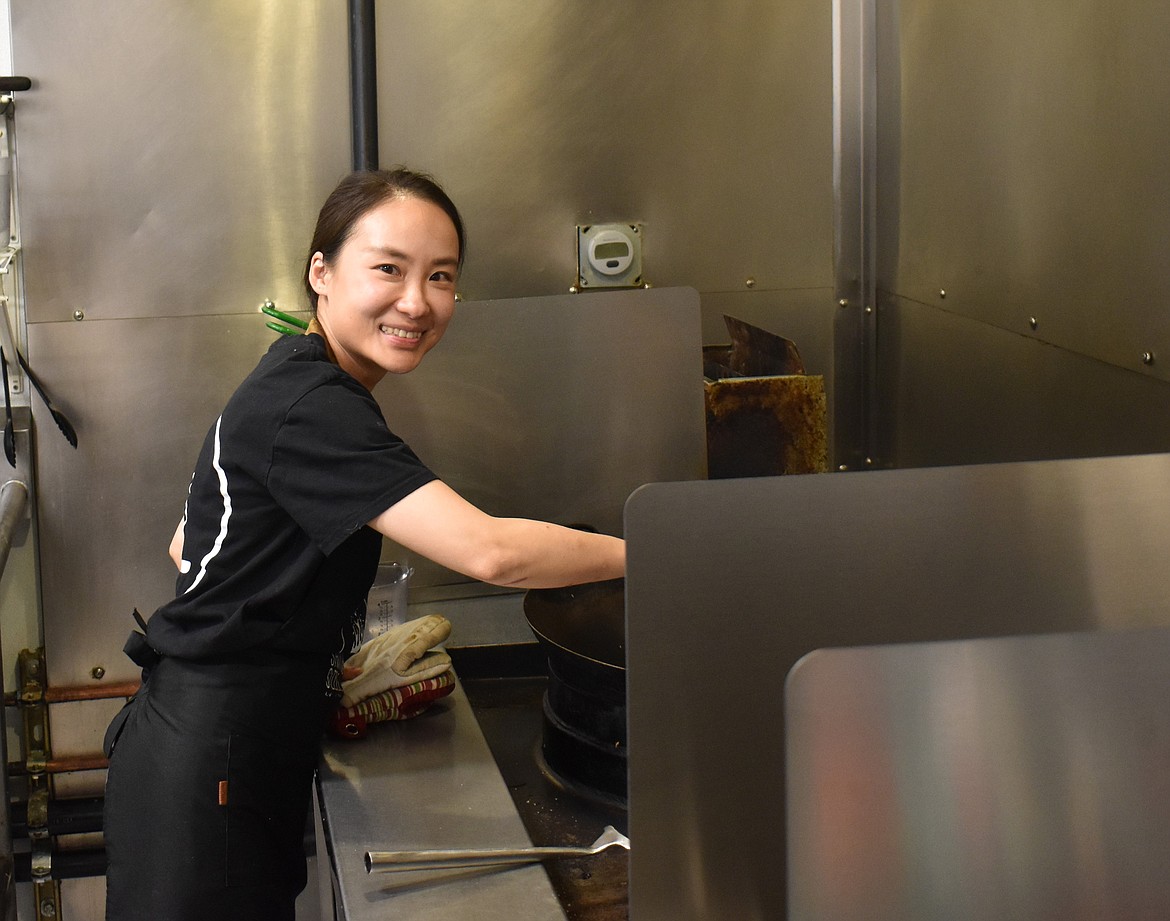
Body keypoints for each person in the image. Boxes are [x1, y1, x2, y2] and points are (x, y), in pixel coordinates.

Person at [102, 168, 626, 920]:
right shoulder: (314, 406)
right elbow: (490, 553)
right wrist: (645, 553)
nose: (416, 301)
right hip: (212, 761)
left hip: (214, 740)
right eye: (388, 268)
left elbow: (189, 541)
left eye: (440, 276)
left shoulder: (297, 380)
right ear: (321, 272)